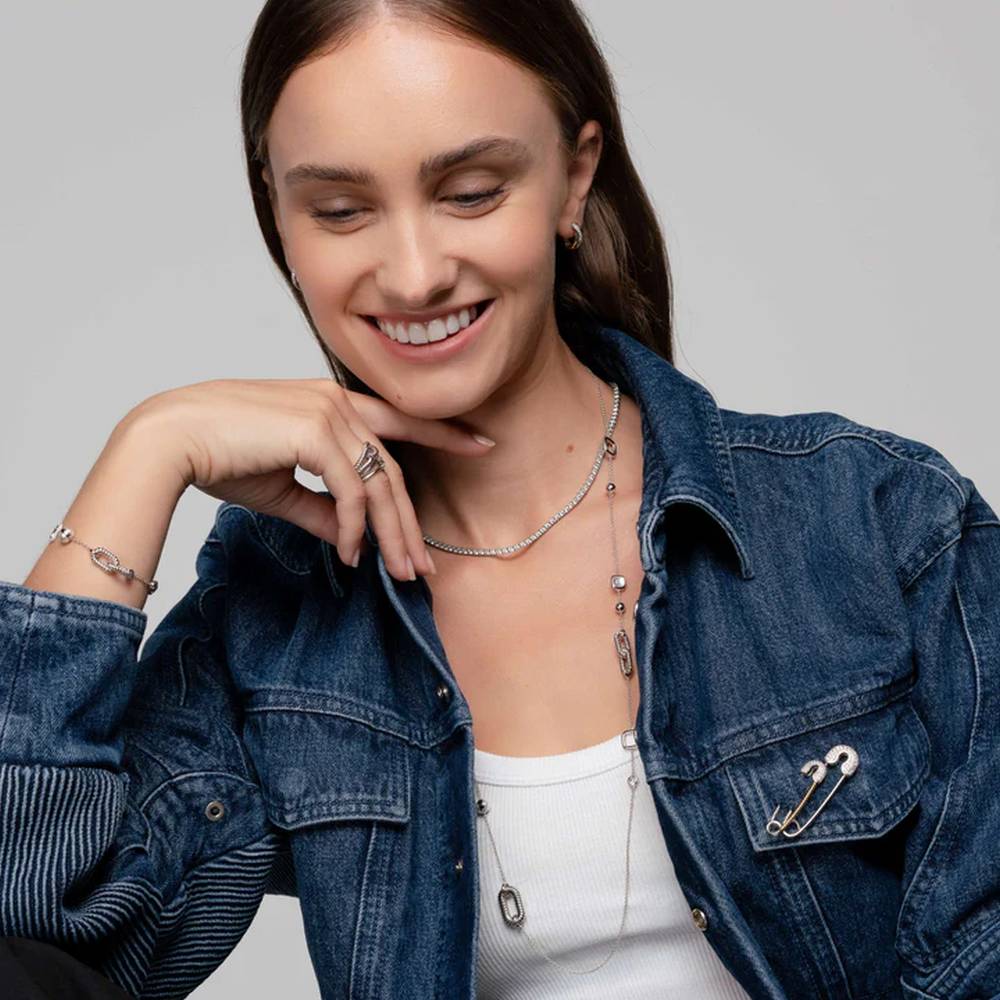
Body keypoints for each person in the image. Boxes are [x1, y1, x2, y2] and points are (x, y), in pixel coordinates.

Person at [1, 1, 997, 998]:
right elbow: (43, 929)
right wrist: (146, 450)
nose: (414, 275)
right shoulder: (280, 604)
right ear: (279, 216)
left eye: (471, 193)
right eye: (340, 210)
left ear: (575, 175)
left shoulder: (879, 523)